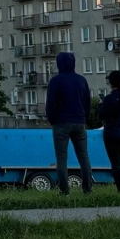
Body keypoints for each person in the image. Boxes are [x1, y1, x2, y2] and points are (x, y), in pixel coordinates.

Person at [45, 52, 93, 195]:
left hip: (61, 123)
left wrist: (52, 120)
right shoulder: (82, 80)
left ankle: (64, 191)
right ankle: (87, 189)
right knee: (84, 156)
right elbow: (87, 102)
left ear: (59, 63)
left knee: (61, 158)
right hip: (79, 122)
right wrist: (84, 118)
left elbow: (51, 104)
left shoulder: (55, 81)